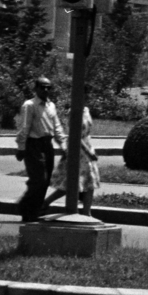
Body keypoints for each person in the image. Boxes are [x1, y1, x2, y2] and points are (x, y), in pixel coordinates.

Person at [15, 77, 65, 223]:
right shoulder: (29, 105)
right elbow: (24, 127)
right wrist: (21, 148)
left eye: (48, 87)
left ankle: (34, 212)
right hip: (33, 145)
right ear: (36, 88)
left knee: (46, 180)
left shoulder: (51, 106)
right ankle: (25, 207)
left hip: (47, 145)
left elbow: (57, 127)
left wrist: (63, 145)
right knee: (39, 179)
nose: (45, 90)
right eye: (42, 87)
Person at [53, 102, 101, 214]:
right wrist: (88, 152)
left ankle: (86, 212)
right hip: (77, 149)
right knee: (70, 183)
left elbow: (86, 132)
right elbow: (76, 135)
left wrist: (90, 149)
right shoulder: (73, 112)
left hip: (86, 147)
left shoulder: (86, 110)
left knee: (90, 182)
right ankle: (46, 204)